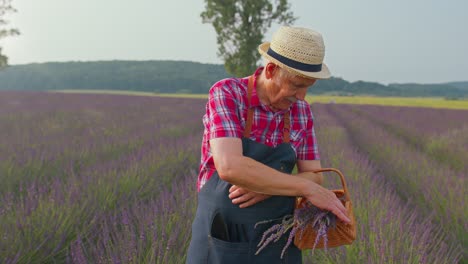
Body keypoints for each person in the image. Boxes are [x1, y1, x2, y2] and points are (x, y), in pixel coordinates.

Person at [186, 26, 351, 264]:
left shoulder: (302, 112)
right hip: (222, 235)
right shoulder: (228, 93)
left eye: (308, 87)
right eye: (296, 85)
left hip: (278, 242)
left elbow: (315, 176)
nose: (302, 96)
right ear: (271, 69)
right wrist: (306, 188)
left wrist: (266, 186)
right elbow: (231, 167)